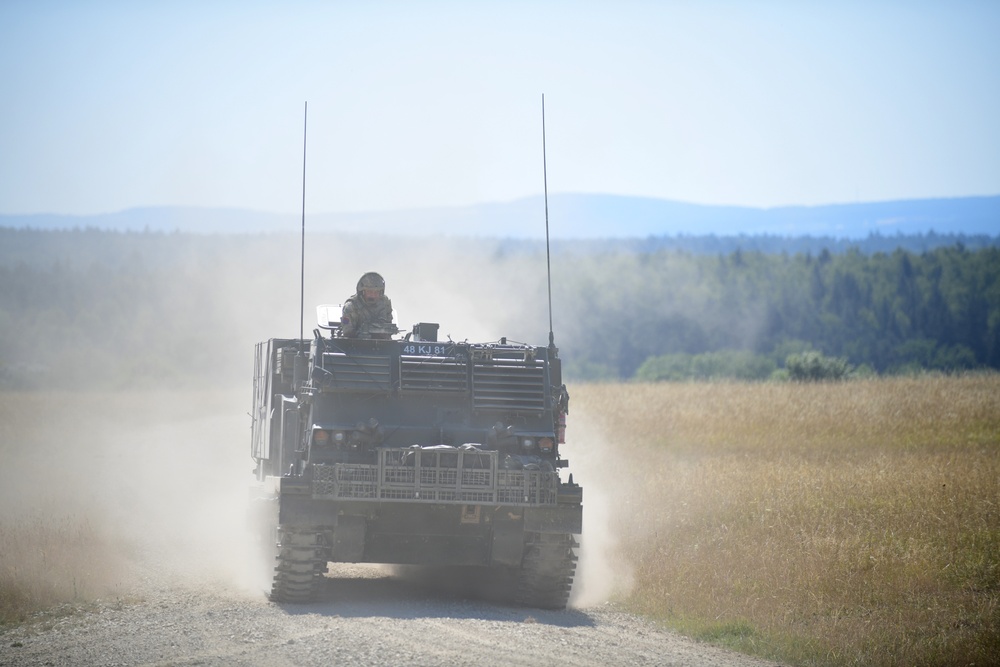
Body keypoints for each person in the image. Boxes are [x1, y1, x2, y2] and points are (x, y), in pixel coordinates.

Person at [340, 272, 395, 338]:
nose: (373, 295)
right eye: (370, 292)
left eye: (376, 292)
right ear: (362, 291)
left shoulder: (385, 303)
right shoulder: (351, 307)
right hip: (355, 344)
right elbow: (347, 332)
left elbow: (389, 325)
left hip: (383, 344)